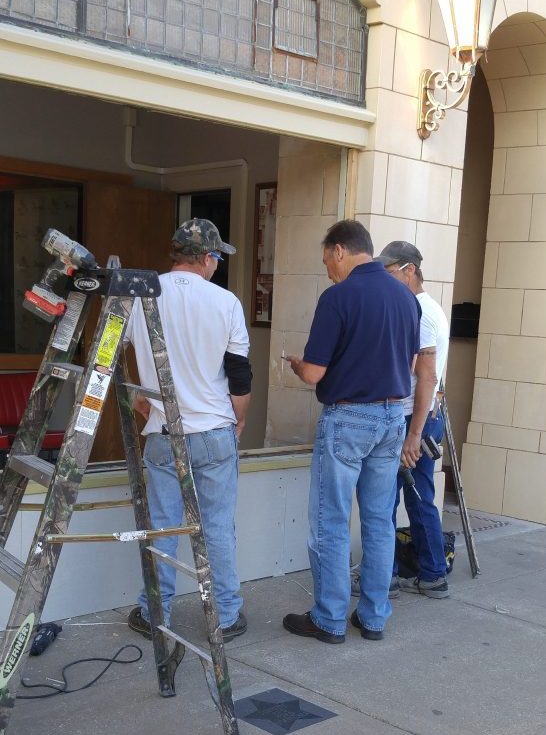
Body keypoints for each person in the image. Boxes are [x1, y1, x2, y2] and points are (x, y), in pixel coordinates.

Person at [282, 220, 420, 643]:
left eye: (327, 260)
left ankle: (328, 618)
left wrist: (296, 364)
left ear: (340, 250)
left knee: (331, 521)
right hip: (392, 416)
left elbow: (315, 372)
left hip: (348, 419)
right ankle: (374, 616)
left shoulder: (338, 297)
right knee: (380, 521)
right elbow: (410, 364)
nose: (328, 270)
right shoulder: (406, 297)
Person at [125, 217, 252, 642]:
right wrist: (241, 420)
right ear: (207, 257)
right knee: (216, 527)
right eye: (217, 257)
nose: (217, 265)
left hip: (162, 433)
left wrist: (138, 398)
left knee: (163, 526)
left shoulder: (139, 297)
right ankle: (227, 615)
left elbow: (119, 352)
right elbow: (239, 376)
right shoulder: (226, 302)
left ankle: (154, 613)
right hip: (215, 430)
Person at [382, 240, 450, 598]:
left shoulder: (420, 311)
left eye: (389, 271)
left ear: (409, 270)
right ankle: (430, 573)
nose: (385, 277)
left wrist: (414, 435)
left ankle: (392, 574)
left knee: (403, 496)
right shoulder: (424, 307)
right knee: (414, 494)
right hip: (421, 416)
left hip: (415, 417)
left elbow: (424, 376)